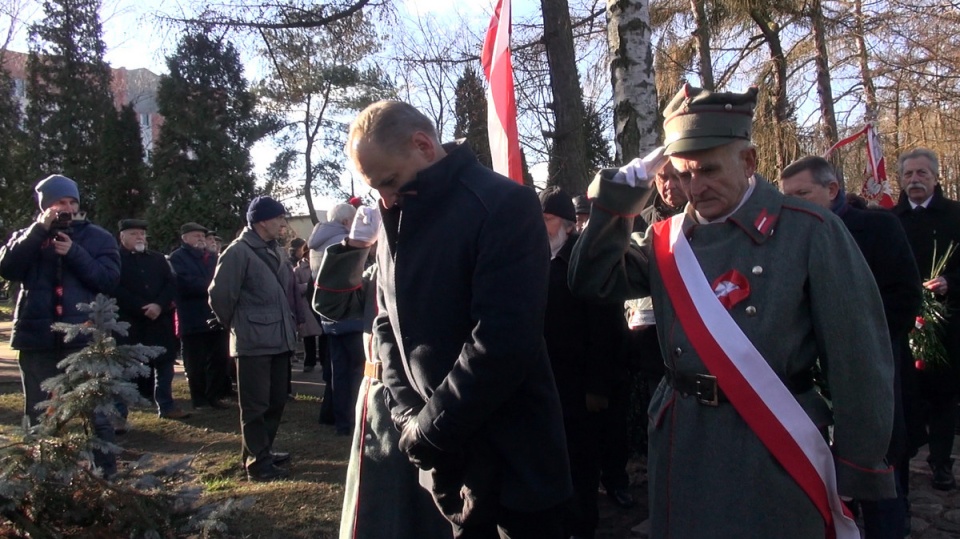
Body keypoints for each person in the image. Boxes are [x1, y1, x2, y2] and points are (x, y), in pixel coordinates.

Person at [569, 84, 896, 538]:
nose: (692, 188)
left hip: (771, 440)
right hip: (684, 436)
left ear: (749, 162)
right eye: (681, 174)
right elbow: (590, 279)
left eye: (707, 171)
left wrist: (859, 464)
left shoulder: (810, 230)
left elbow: (858, 357)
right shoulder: (667, 240)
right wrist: (617, 200)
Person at [347, 100, 572, 537]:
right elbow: (386, 324)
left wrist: (428, 430)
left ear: (423, 145)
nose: (385, 198)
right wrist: (406, 415)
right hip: (446, 462)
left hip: (513, 462)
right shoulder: (398, 212)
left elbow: (503, 340)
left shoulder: (504, 204)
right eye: (377, 188)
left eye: (390, 181)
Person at [780, 156, 922, 538]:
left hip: (872, 367)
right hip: (812, 379)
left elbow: (905, 296)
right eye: (787, 197)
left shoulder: (877, 227)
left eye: (802, 194)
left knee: (878, 463)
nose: (794, 204)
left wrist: (859, 340)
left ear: (831, 190)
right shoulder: (785, 241)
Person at [314, 205, 452, 539]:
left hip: (433, 399)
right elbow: (330, 304)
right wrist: (354, 248)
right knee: (381, 510)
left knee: (434, 509)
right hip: (381, 401)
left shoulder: (446, 260)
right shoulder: (378, 268)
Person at [0, 174, 120, 476]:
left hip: (83, 339)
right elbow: (8, 268)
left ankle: (105, 477)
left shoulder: (97, 237)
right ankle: (44, 480)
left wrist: (75, 254)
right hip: (36, 339)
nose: (66, 208)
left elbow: (109, 280)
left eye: (71, 202)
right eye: (58, 202)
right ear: (45, 207)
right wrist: (39, 231)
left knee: (96, 416)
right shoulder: (26, 236)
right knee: (39, 415)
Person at [539, 186, 625, 538]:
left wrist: (598, 385)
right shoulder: (531, 258)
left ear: (567, 224)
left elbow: (606, 328)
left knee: (581, 461)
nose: (537, 227)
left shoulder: (583, 261)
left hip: (580, 385)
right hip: (546, 382)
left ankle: (582, 525)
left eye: (544, 219)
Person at [209, 195, 299, 482]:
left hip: (279, 338)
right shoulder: (238, 252)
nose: (283, 224)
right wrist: (240, 325)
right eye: (279, 219)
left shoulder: (275, 250)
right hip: (253, 341)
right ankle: (257, 464)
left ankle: (263, 451)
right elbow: (220, 296)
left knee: (275, 401)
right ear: (262, 222)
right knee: (255, 405)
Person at [891, 148, 960, 492]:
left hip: (947, 320)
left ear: (935, 178)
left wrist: (951, 282)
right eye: (908, 175)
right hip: (904, 320)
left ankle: (941, 462)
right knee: (908, 391)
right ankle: (907, 455)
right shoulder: (891, 219)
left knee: (943, 395)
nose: (914, 180)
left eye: (921, 174)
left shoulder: (955, 215)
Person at [111, 218, 190, 420]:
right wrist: (140, 307)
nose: (139, 237)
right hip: (130, 322)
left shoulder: (157, 259)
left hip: (159, 321)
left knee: (164, 366)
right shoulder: (115, 259)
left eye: (142, 234)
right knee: (124, 369)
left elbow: (171, 284)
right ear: (122, 236)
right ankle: (119, 414)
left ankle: (166, 406)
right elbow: (114, 288)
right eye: (133, 234)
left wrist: (159, 305)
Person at [169, 222, 230, 410]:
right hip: (192, 317)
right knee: (196, 362)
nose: (201, 240)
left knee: (218, 358)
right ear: (185, 238)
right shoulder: (177, 258)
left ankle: (214, 396)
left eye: (203, 236)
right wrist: (212, 287)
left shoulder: (212, 257)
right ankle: (199, 399)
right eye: (196, 236)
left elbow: (223, 279)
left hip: (214, 316)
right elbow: (185, 283)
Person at [289, 238, 323, 375]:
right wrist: (308, 287)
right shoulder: (297, 270)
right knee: (308, 337)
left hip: (319, 303)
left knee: (322, 336)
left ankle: (324, 361)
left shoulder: (319, 266)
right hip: (305, 305)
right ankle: (309, 362)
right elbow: (293, 287)